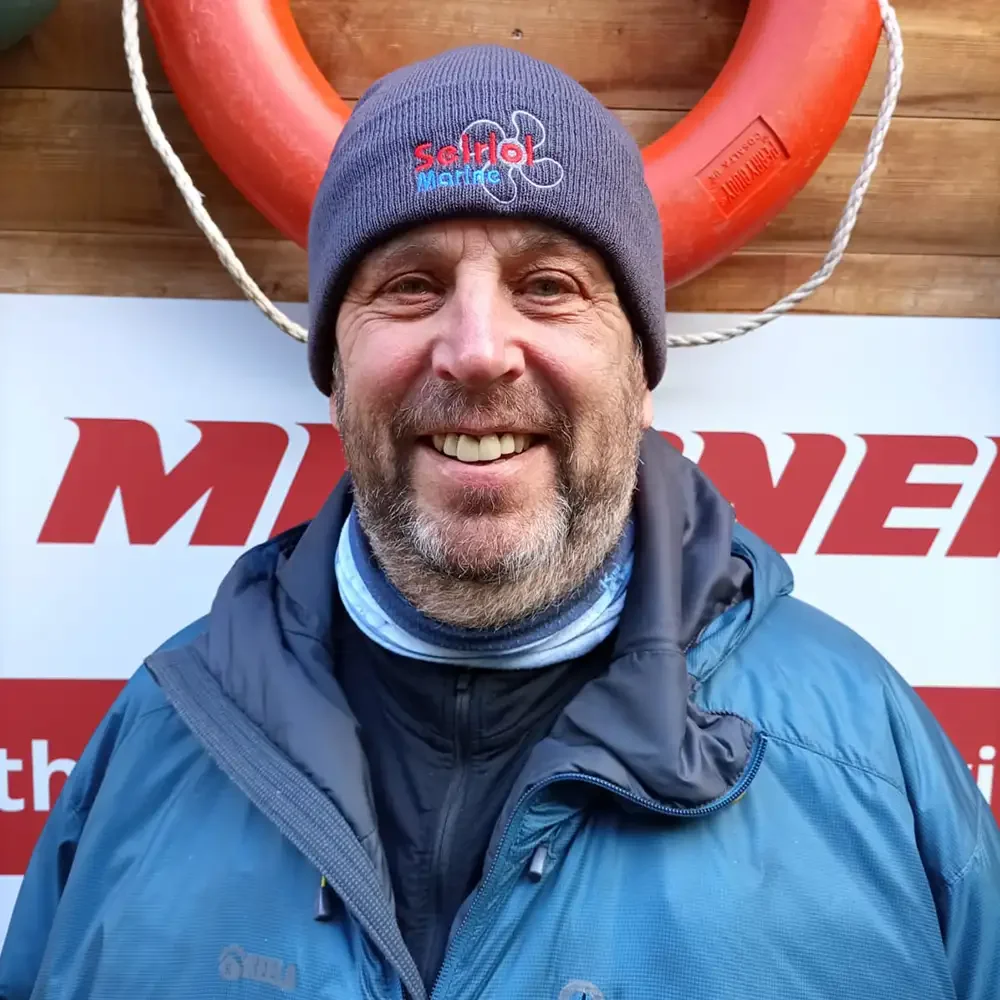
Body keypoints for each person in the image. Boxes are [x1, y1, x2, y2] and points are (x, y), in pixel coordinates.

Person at [1, 44, 997, 1000]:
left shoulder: (869, 755)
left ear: (641, 373)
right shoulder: (157, 739)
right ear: (338, 370)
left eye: (549, 286)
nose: (476, 349)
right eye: (410, 285)